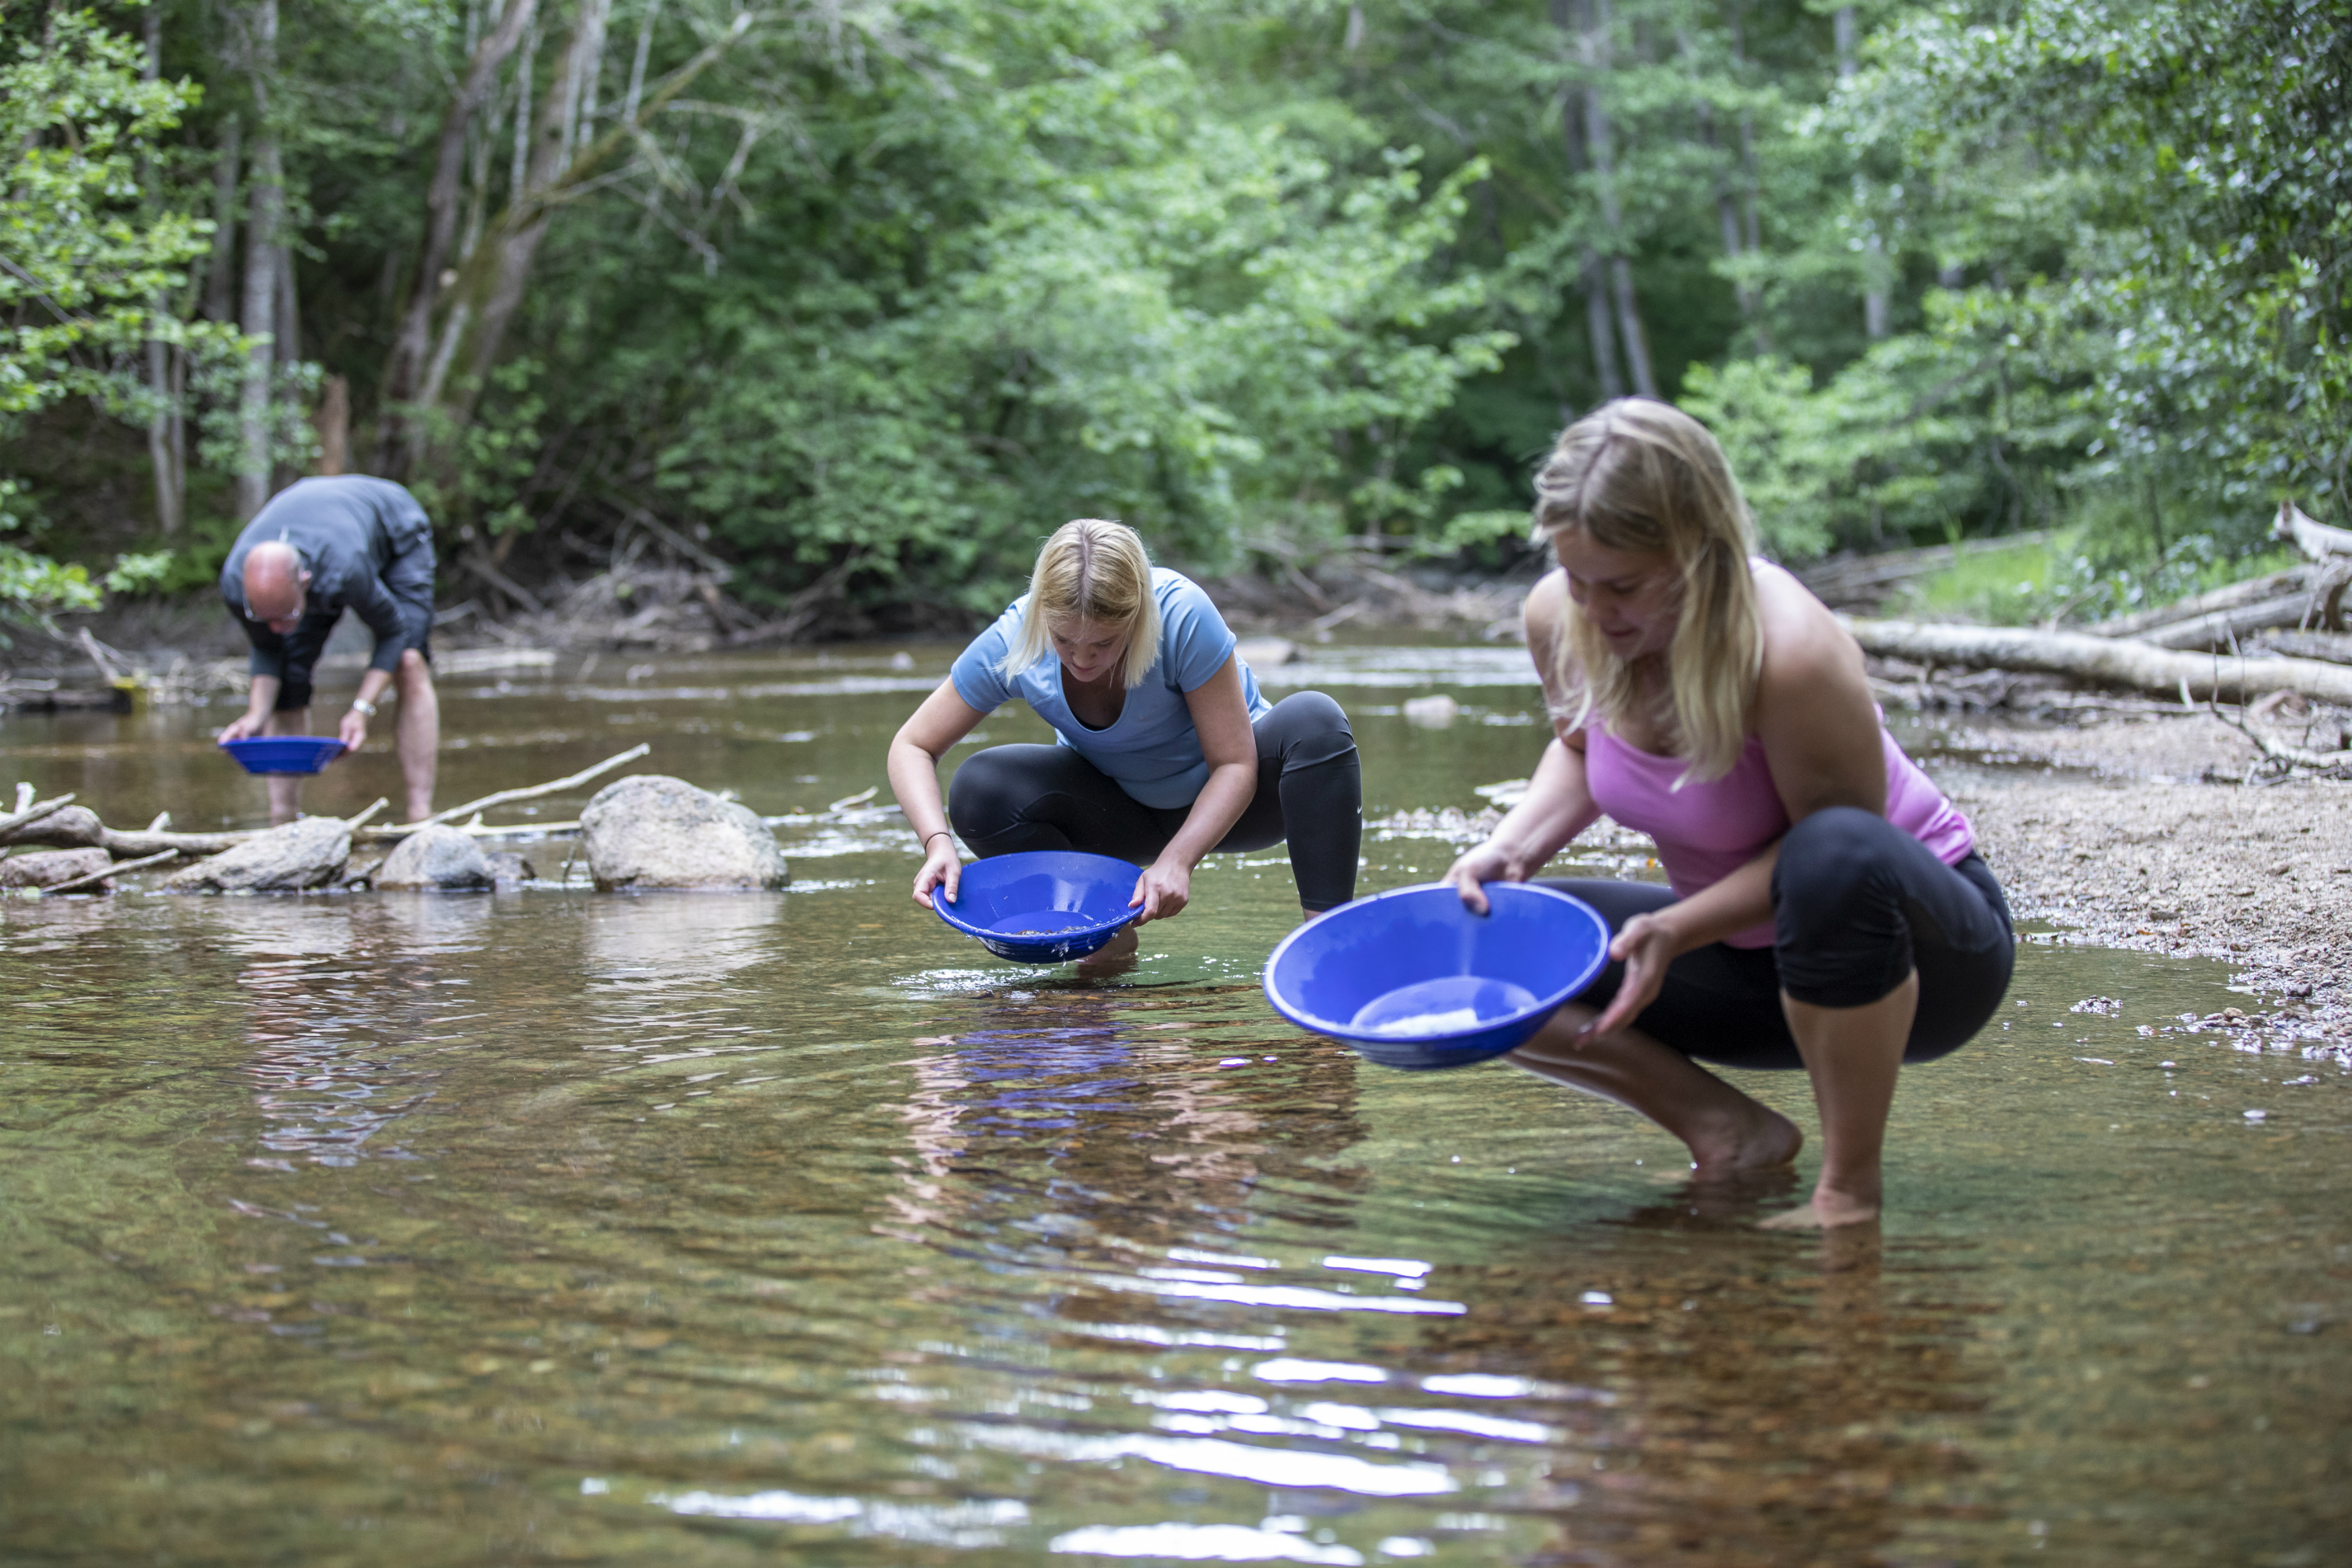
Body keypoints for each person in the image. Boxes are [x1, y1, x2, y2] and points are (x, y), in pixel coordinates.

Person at [1441, 400, 2013, 1229]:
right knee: (1477, 934)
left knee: (1834, 855)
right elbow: (1577, 748)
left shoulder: (1789, 654)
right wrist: (1509, 847)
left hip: (1921, 958)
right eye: (1577, 580)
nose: (1597, 612)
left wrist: (1679, 928)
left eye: (1626, 586)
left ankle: (1848, 1194)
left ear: (1699, 551)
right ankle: (1728, 1133)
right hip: (1743, 959)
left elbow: (1841, 853)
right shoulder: (1560, 620)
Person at [888, 519, 1361, 961]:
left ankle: (1326, 952)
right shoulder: (1016, 636)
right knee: (982, 787)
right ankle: (1105, 940)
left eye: (1104, 644)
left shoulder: (1180, 614)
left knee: (1315, 720)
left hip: (1244, 801)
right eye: (1064, 641)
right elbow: (912, 745)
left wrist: (1178, 861)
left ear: (1137, 618)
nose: (1082, 660)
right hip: (1119, 815)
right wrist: (936, 843)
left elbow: (1235, 765)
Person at [216, 476, 441, 825]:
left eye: (285, 616)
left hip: (396, 531)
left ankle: (420, 816)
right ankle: (283, 822)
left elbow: (392, 631)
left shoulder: (344, 567)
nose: (274, 628)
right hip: (322, 537)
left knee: (409, 661)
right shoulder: (236, 583)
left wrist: (360, 710)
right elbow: (267, 647)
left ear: (305, 584)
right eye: (266, 618)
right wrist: (255, 716)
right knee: (288, 679)